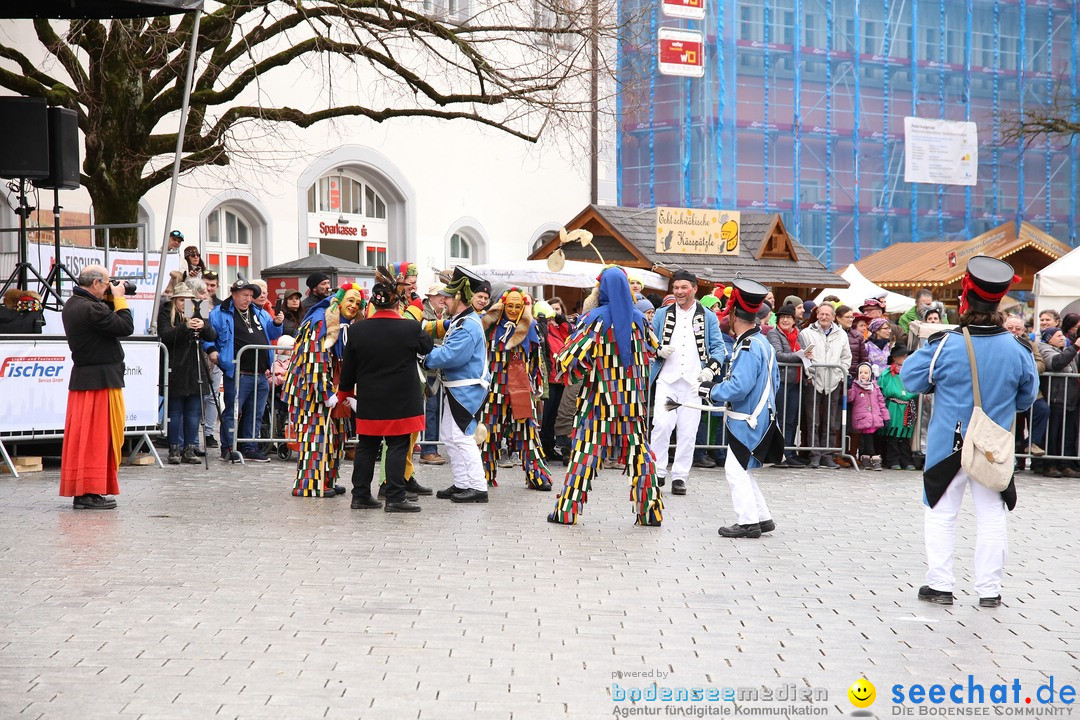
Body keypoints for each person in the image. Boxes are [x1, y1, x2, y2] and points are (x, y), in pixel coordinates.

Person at [901, 256, 1038, 608]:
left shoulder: (945, 343)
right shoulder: (1017, 348)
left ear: (967, 298)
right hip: (992, 446)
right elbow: (1026, 399)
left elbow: (911, 379)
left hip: (949, 442)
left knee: (941, 514)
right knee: (992, 517)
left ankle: (941, 585)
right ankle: (989, 591)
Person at [548, 267, 664, 526]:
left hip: (598, 404)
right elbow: (655, 349)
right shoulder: (640, 320)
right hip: (632, 404)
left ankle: (566, 511)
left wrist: (577, 364)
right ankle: (650, 512)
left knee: (584, 456)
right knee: (639, 456)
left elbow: (567, 359)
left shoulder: (595, 320)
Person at [338, 278, 434, 513]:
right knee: (397, 447)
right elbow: (428, 347)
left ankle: (360, 495)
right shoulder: (409, 328)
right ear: (396, 303)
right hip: (402, 399)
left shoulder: (358, 329)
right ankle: (395, 497)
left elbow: (349, 367)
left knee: (367, 447)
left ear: (373, 302)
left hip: (370, 397)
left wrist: (345, 393)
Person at [698, 278, 784, 538]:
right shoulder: (762, 343)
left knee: (735, 470)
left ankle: (748, 523)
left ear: (734, 315)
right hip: (759, 417)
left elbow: (739, 387)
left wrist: (712, 390)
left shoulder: (748, 346)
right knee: (743, 469)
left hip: (746, 420)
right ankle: (762, 517)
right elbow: (775, 382)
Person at [60, 265, 135, 510]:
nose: (108, 288)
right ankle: (88, 491)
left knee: (85, 438)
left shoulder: (74, 304)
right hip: (99, 381)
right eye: (105, 284)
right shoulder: (91, 308)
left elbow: (107, 324)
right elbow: (125, 327)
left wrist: (111, 299)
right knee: (98, 438)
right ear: (95, 284)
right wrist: (120, 299)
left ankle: (86, 489)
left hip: (87, 378)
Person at [282, 283, 366, 496]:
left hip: (333, 387)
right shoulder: (320, 322)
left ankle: (326, 478)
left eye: (358, 303)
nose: (354, 306)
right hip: (310, 390)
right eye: (350, 300)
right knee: (316, 437)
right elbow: (314, 361)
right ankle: (309, 485)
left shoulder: (344, 324)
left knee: (335, 436)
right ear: (339, 300)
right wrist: (324, 392)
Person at [649, 270, 726, 496]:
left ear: (694, 288)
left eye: (683, 288)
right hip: (667, 381)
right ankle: (658, 471)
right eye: (676, 288)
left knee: (688, 431)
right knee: (662, 426)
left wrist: (710, 370)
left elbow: (718, 348)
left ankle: (680, 476)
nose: (679, 292)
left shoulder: (708, 316)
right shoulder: (662, 314)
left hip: (693, 382)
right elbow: (649, 341)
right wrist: (657, 350)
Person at [423, 266, 491, 503]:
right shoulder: (462, 321)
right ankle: (463, 483)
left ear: (459, 298)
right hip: (458, 388)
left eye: (448, 297)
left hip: (466, 389)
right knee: (450, 436)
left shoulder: (468, 324)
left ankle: (478, 487)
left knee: (462, 437)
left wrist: (425, 356)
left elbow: (452, 356)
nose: (444, 301)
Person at [477, 288, 552, 490]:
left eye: (517, 306)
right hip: (493, 387)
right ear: (502, 305)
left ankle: (536, 474)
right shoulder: (489, 326)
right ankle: (483, 474)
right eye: (509, 305)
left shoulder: (530, 327)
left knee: (527, 431)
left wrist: (537, 385)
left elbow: (536, 361)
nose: (513, 309)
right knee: (489, 431)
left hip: (519, 384)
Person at [206, 277, 284, 463]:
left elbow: (272, 335)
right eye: (244, 295)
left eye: (250, 295)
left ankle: (250, 446)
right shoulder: (220, 313)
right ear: (234, 294)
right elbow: (208, 335)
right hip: (237, 372)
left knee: (256, 412)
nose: (248, 299)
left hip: (261, 372)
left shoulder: (260, 313)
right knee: (233, 411)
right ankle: (228, 447)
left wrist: (277, 324)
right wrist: (211, 351)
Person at [158, 274, 217, 465]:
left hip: (195, 367)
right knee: (175, 412)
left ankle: (190, 448)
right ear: (175, 300)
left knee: (193, 412)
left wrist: (203, 325)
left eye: (188, 300)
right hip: (175, 367)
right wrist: (185, 327)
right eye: (182, 300)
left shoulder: (198, 311)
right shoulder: (166, 311)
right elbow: (166, 335)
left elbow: (212, 335)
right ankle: (174, 448)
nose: (185, 303)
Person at [797, 303, 851, 468]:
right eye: (821, 314)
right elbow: (802, 355)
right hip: (814, 379)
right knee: (813, 420)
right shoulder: (806, 333)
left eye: (828, 314)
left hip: (833, 381)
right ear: (817, 315)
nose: (824, 317)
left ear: (833, 316)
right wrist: (809, 374)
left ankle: (827, 454)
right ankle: (814, 455)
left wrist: (840, 374)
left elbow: (846, 357)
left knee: (831, 421)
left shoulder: (841, 334)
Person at [767, 304, 810, 467]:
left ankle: (789, 451)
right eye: (782, 317)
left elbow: (804, 352)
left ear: (794, 320)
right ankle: (779, 453)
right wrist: (800, 356)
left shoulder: (798, 334)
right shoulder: (773, 333)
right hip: (781, 381)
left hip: (797, 382)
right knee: (780, 418)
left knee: (791, 420)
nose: (785, 320)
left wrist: (807, 356)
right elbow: (778, 355)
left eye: (789, 317)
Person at [1003, 315, 1048, 468]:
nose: (1014, 331)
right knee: (1012, 423)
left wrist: (1026, 369)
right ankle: (1013, 459)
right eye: (1010, 328)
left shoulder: (1029, 343)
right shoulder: (1000, 342)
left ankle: (1032, 442)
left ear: (1023, 330)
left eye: (1018, 328)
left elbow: (1041, 362)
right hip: (1006, 391)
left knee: (1042, 409)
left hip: (1027, 388)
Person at [1037, 326, 1080, 478]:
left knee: (1067, 435)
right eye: (1058, 335)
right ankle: (1050, 464)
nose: (1062, 338)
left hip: (1070, 399)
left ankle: (1065, 464)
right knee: (1052, 435)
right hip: (1056, 398)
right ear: (1048, 338)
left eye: (1062, 335)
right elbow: (1056, 363)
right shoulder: (1044, 348)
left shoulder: (1066, 349)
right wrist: (1075, 347)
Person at [419, 282, 449, 466]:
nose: (443, 299)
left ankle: (433, 447)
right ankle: (428, 449)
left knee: (438, 409)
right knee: (429, 409)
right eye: (439, 296)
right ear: (430, 297)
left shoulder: (448, 314)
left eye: (445, 296)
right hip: (426, 369)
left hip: (441, 370)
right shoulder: (422, 313)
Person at [540, 296, 571, 458]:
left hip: (562, 379)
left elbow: (569, 331)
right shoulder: (544, 328)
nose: (553, 313)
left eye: (557, 309)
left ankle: (550, 448)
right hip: (549, 379)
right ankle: (544, 448)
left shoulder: (560, 328)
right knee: (546, 416)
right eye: (551, 309)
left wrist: (558, 318)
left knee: (556, 416)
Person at [879, 346, 918, 470]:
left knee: (905, 436)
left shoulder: (911, 373)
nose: (905, 359)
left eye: (907, 356)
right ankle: (892, 460)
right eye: (902, 356)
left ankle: (906, 460)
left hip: (907, 407)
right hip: (893, 407)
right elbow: (882, 389)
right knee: (893, 435)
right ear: (894, 358)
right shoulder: (886, 374)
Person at [849, 362, 887, 470]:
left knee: (869, 437)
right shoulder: (855, 386)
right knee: (868, 435)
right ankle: (873, 456)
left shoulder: (875, 387)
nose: (863, 375)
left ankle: (865, 457)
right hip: (862, 417)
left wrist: (885, 416)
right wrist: (848, 388)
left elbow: (881, 402)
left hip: (874, 417)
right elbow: (850, 398)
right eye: (861, 372)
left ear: (870, 374)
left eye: (866, 372)